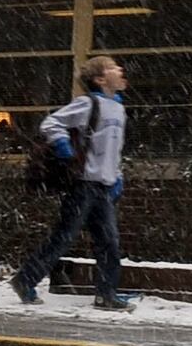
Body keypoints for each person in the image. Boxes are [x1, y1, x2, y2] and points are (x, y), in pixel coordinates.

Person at [13, 55, 131, 308]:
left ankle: (106, 294)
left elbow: (114, 149)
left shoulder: (119, 109)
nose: (120, 69)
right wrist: (62, 144)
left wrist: (116, 176)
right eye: (113, 67)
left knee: (109, 241)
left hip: (104, 186)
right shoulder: (88, 104)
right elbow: (51, 122)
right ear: (100, 79)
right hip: (83, 184)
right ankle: (26, 279)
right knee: (65, 236)